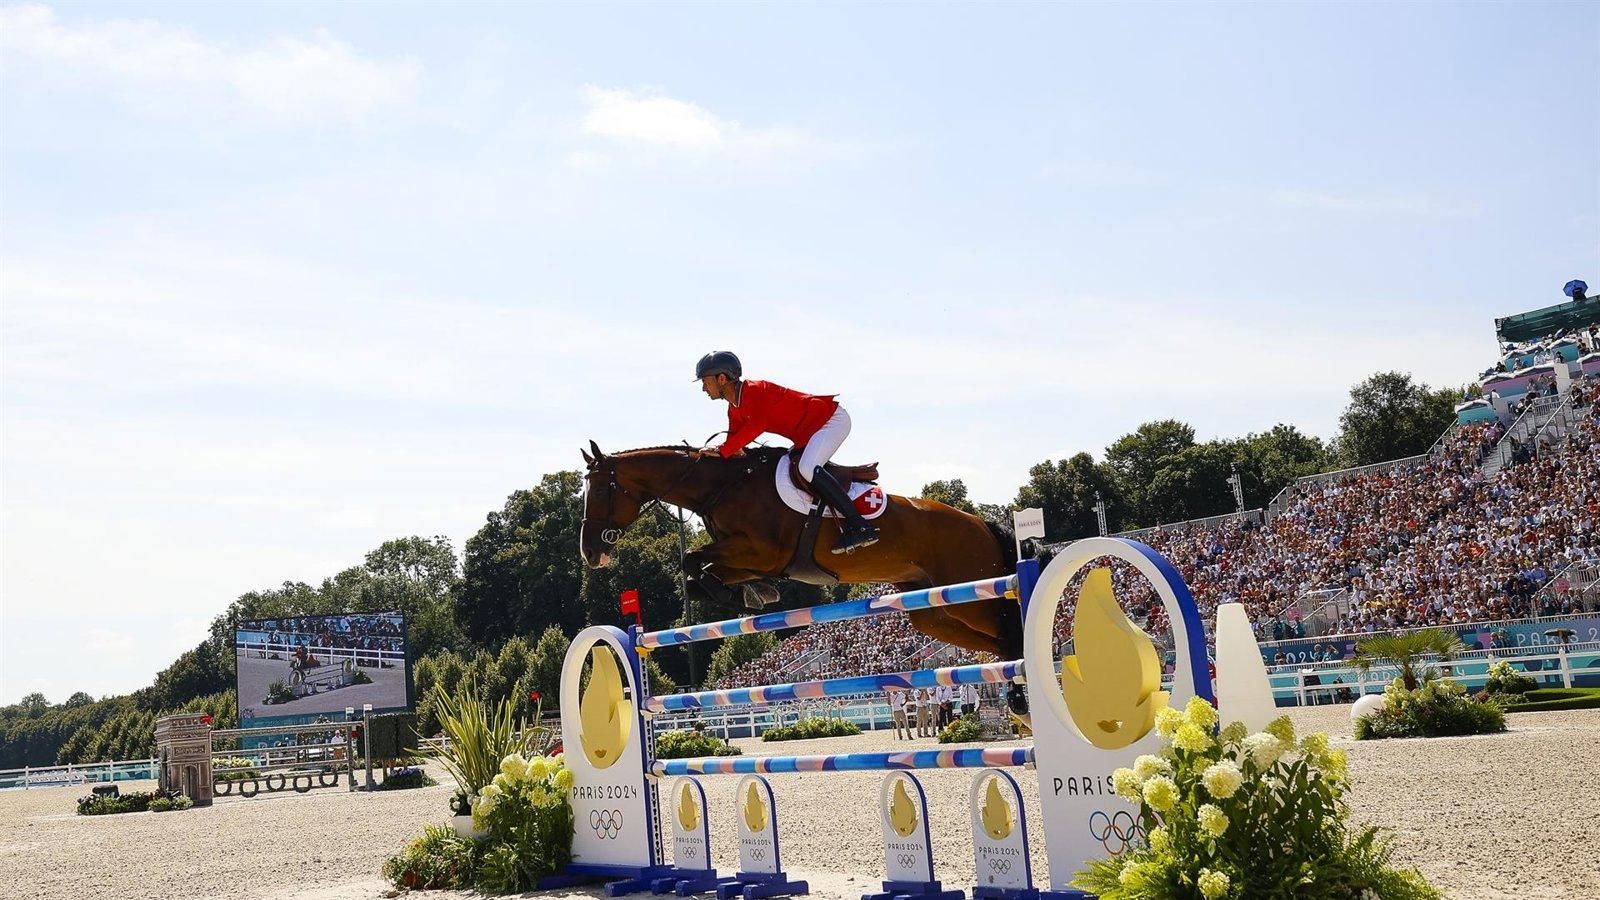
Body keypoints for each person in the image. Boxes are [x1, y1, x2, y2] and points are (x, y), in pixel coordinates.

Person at [694, 351, 879, 553]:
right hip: (807, 434)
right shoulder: (734, 409)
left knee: (807, 468)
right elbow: (733, 445)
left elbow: (757, 425)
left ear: (722, 379)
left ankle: (860, 526)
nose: (704, 388)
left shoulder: (755, 390)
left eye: (705, 381)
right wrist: (715, 453)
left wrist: (723, 450)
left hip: (831, 421)